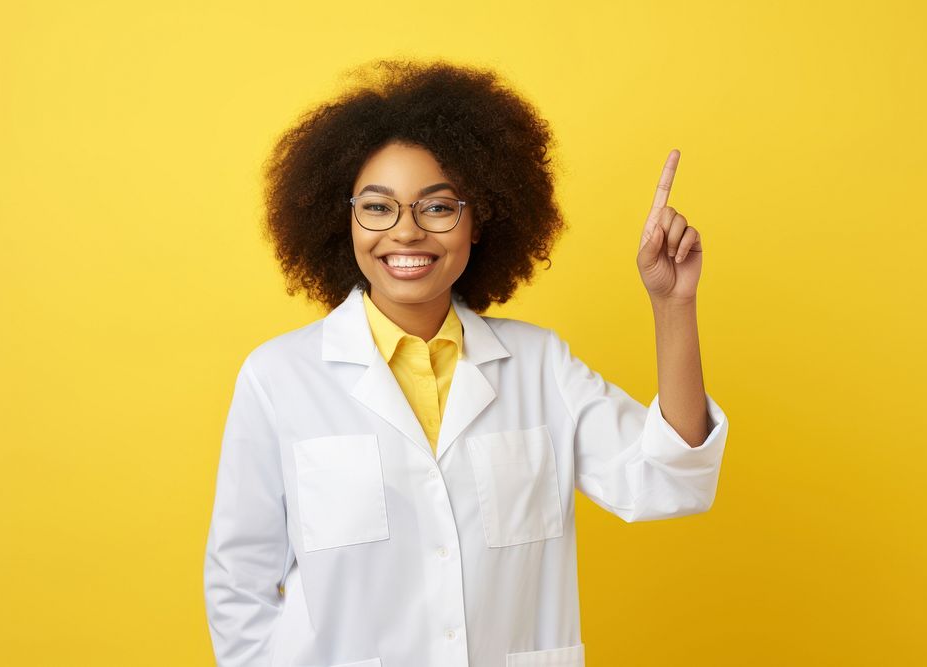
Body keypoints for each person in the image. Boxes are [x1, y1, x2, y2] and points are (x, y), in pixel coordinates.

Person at [203, 58, 729, 667]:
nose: (405, 232)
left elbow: (670, 482)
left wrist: (673, 303)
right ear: (342, 220)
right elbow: (239, 587)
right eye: (377, 207)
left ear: (479, 221)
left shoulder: (539, 366)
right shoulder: (279, 378)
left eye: (437, 207)